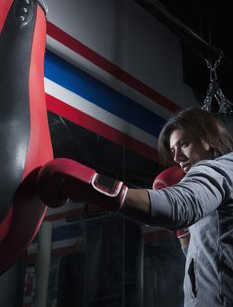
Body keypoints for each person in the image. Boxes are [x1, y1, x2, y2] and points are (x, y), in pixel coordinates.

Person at [37, 106, 233, 307]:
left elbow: (179, 205)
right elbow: (205, 260)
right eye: (173, 150)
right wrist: (183, 232)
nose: (177, 157)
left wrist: (90, 185)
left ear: (209, 138)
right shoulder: (220, 185)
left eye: (184, 144)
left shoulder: (221, 169)